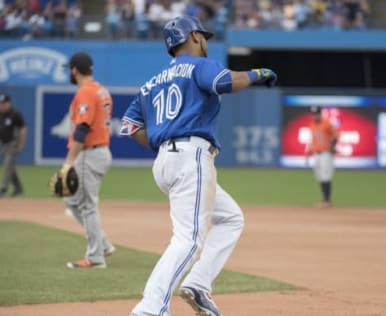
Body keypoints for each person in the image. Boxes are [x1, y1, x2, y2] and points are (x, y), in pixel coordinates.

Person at [120, 15, 277, 316]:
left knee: (231, 218)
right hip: (190, 156)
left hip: (167, 161)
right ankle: (149, 309)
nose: (205, 41)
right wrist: (257, 73)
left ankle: (198, 284)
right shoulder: (200, 65)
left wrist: (161, 141)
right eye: (203, 35)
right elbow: (225, 82)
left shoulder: (151, 83)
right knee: (188, 240)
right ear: (192, 36)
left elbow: (128, 125)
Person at [61, 51, 115, 268]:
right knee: (72, 201)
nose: (69, 73)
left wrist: (69, 161)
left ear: (75, 69)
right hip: (99, 151)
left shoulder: (85, 92)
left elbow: (82, 129)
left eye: (69, 69)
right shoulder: (101, 90)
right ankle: (102, 244)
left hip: (89, 154)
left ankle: (95, 257)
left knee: (87, 206)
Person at [305, 107, 339, 209]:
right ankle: (324, 199)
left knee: (326, 176)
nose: (315, 115)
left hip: (326, 153)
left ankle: (327, 200)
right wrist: (309, 153)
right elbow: (313, 141)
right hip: (317, 154)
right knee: (319, 176)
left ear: (320, 114)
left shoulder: (327, 124)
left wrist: (332, 147)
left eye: (317, 113)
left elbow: (336, 135)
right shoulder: (312, 125)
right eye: (313, 114)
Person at [0, 94, 27, 198]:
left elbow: (23, 128)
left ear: (8, 103)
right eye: (0, 104)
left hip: (13, 143)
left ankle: (3, 188)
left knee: (7, 165)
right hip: (3, 144)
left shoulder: (15, 114)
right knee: (10, 167)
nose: (1, 106)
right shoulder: (1, 114)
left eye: (3, 103)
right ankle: (18, 188)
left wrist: (21, 143)